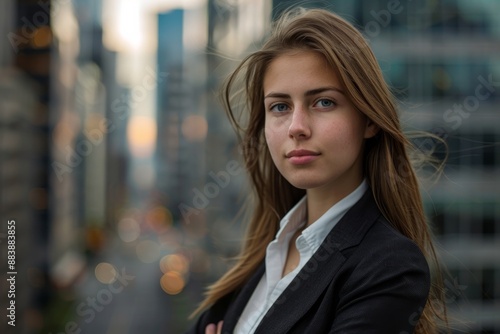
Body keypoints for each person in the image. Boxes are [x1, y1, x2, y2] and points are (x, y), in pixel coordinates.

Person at [187, 8, 448, 334]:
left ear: (368, 120)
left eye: (323, 102)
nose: (296, 127)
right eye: (280, 107)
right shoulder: (263, 255)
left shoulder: (390, 267)